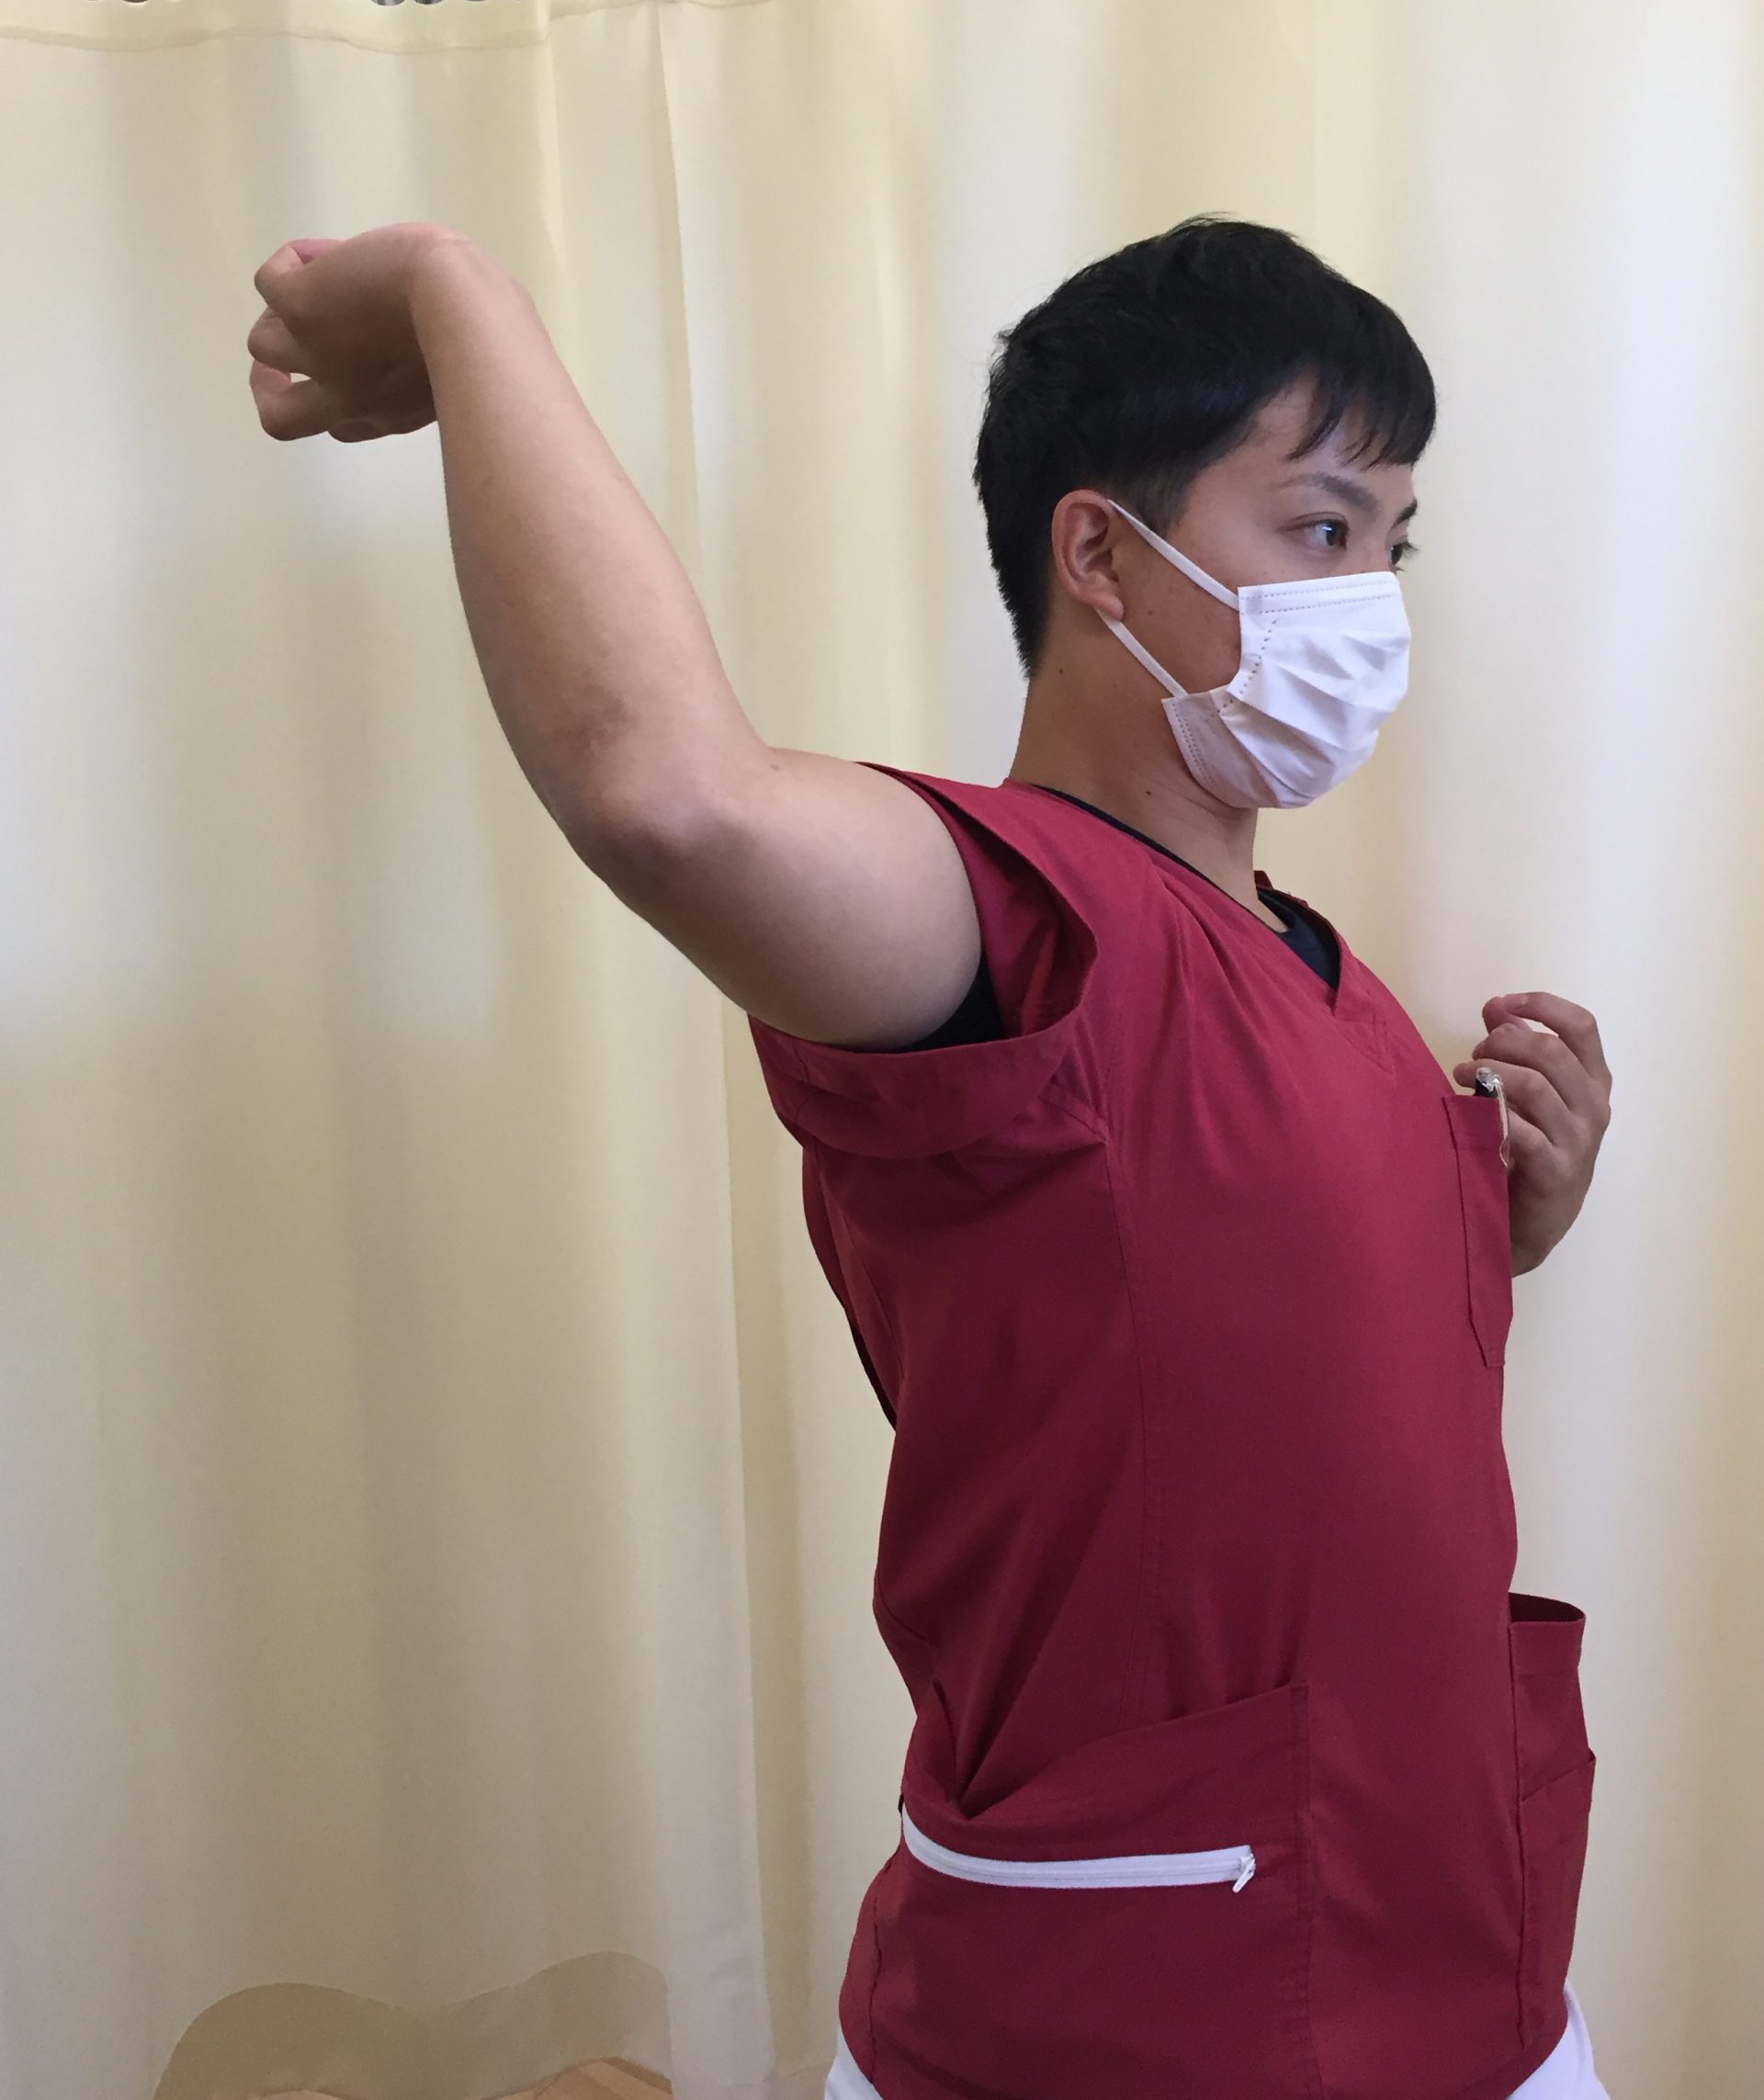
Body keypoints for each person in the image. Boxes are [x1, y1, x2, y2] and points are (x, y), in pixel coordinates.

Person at [247, 214, 1614, 2100]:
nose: (1372, 598)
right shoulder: (1004, 927)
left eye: (1394, 543)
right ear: (1099, 555)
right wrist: (449, 295)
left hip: (1469, 1954)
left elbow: (1243, 1347)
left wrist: (1510, 1219)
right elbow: (667, 795)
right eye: (1319, 527)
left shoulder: (1334, 982)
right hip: (1151, 2002)